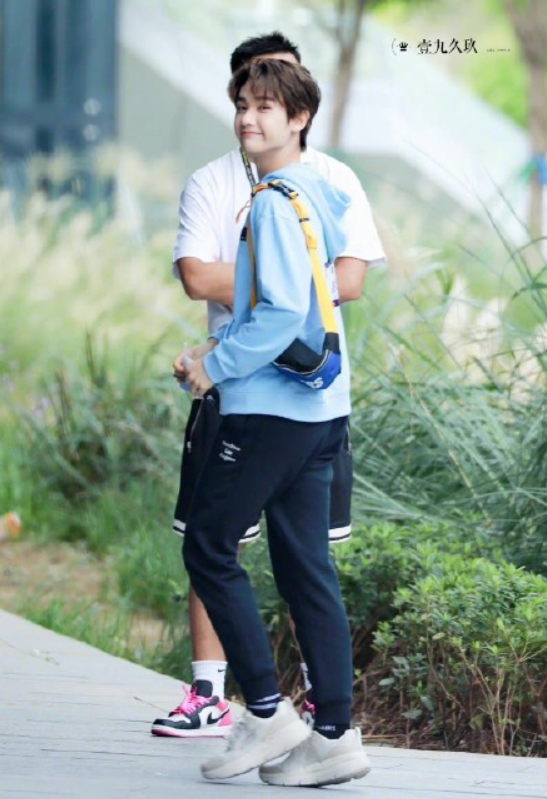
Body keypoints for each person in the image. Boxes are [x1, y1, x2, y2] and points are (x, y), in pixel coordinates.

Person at [150, 31, 385, 740]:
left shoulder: (279, 198)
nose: (250, 116)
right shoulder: (309, 191)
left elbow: (287, 310)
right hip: (319, 404)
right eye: (243, 103)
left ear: (300, 113)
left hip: (268, 407)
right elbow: (301, 295)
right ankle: (333, 733)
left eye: (267, 104)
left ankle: (264, 712)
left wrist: (216, 362)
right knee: (304, 565)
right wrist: (235, 333)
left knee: (209, 546)